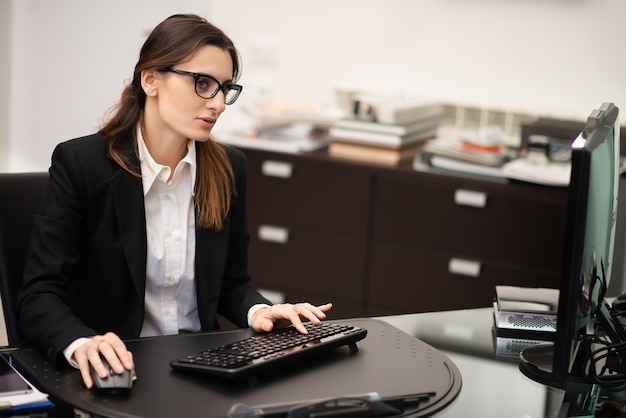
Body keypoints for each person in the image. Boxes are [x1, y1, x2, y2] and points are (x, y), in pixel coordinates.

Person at [16, 14, 332, 389]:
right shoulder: (83, 165)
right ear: (151, 79)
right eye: (202, 84)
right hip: (117, 371)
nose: (218, 104)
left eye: (225, 88)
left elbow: (231, 283)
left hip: (203, 370)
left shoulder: (229, 167)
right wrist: (82, 343)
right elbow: (39, 296)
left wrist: (260, 310)